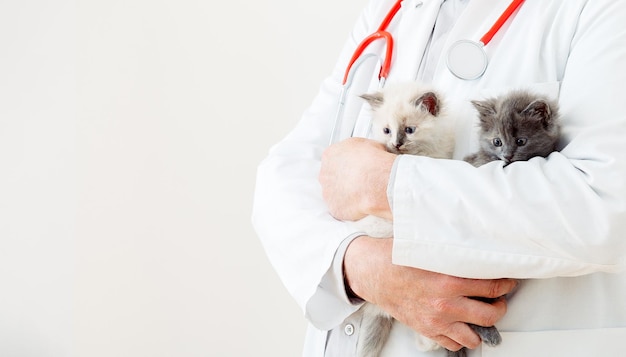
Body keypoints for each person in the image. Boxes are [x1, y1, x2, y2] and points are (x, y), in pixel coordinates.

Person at [252, 0, 626, 356]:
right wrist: (354, 263)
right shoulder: (388, 10)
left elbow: (606, 207)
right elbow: (285, 175)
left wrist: (386, 184)